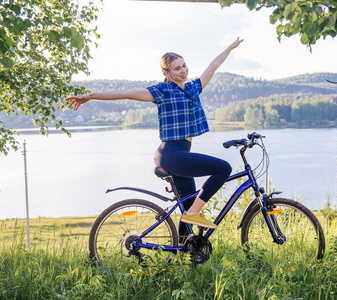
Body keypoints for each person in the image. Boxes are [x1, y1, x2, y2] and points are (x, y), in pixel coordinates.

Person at [66, 38, 244, 235]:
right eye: (177, 68)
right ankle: (194, 213)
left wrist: (229, 47)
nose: (183, 70)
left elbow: (213, 65)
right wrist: (91, 96)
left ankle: (186, 252)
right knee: (223, 168)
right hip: (171, 154)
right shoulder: (162, 91)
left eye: (184, 66)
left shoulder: (194, 87)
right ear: (166, 73)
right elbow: (127, 93)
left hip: (180, 154)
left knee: (188, 203)